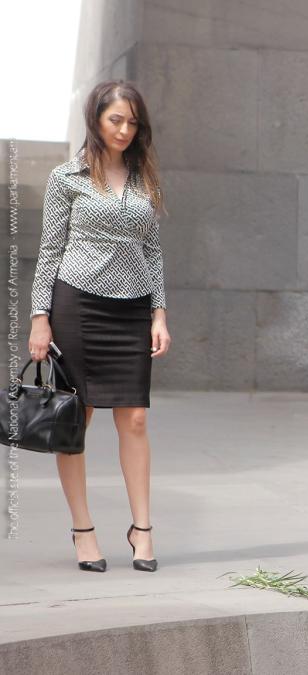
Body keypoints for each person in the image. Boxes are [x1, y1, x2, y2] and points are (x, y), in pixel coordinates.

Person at [28, 80, 171, 573]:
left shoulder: (144, 178)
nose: (126, 130)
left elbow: (152, 251)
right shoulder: (65, 177)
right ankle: (83, 528)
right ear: (96, 119)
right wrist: (40, 318)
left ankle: (142, 527)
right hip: (78, 306)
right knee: (77, 419)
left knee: (134, 419)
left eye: (133, 121)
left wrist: (159, 313)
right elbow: (48, 252)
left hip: (132, 309)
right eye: (116, 120)